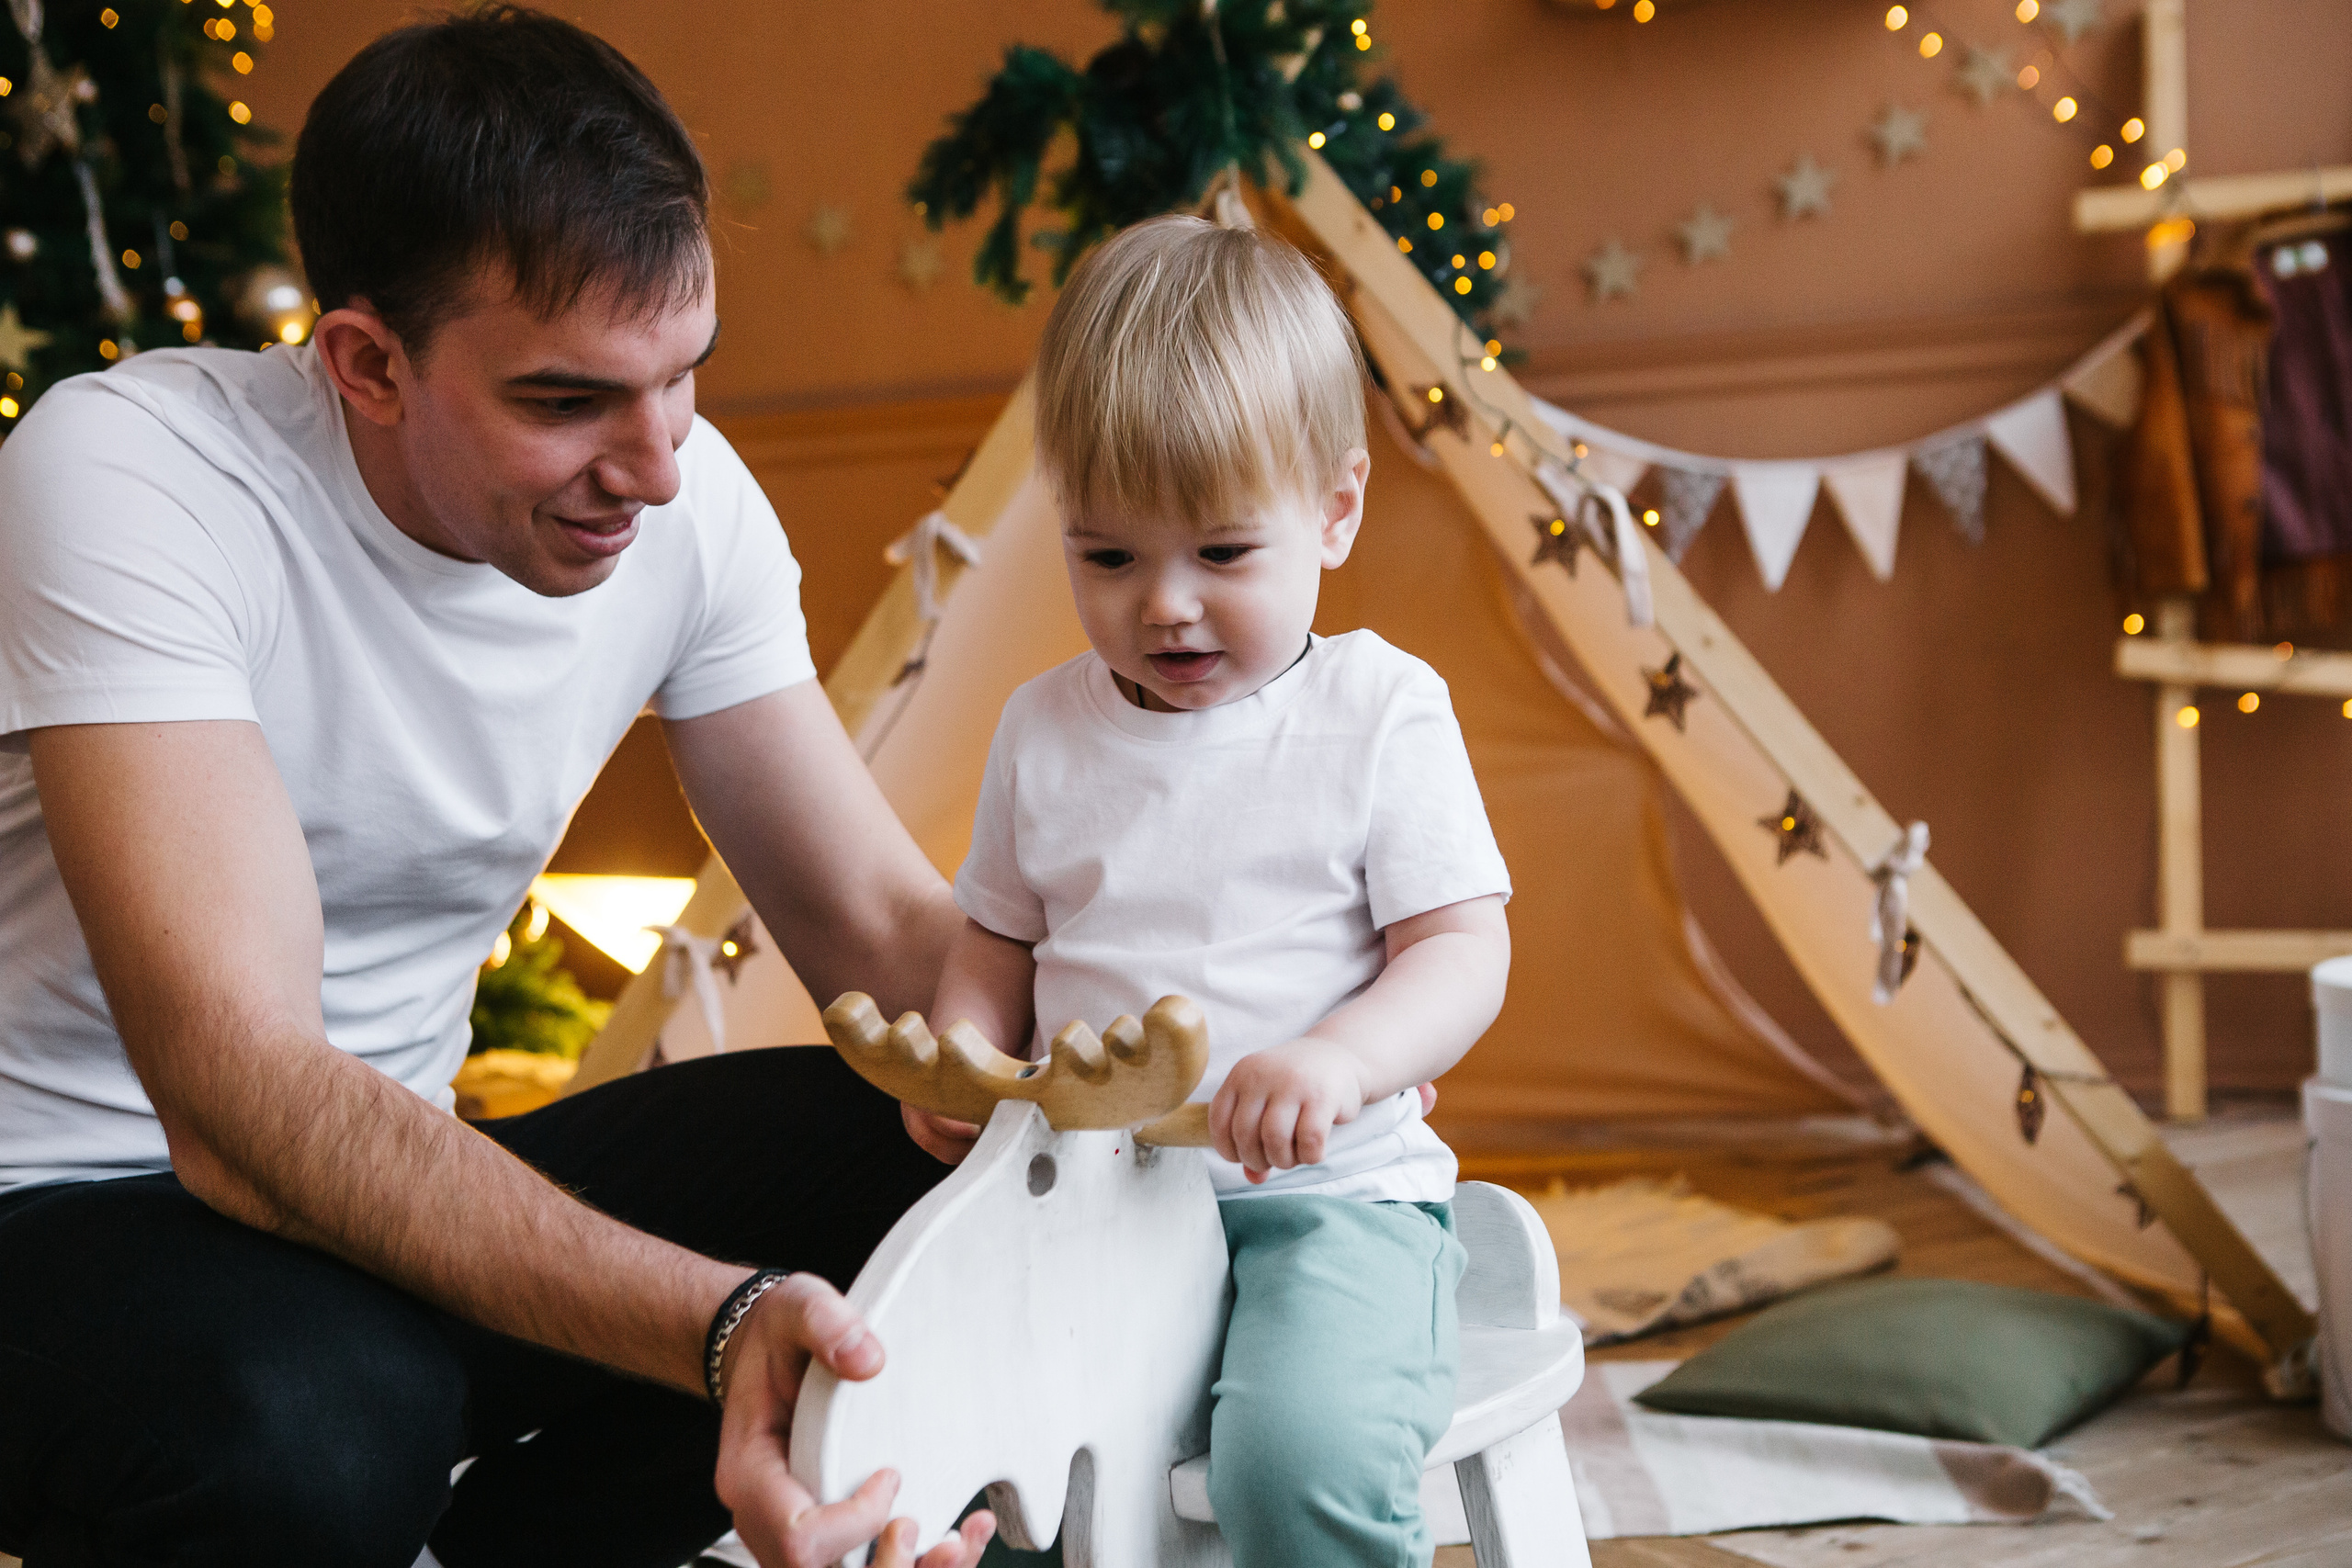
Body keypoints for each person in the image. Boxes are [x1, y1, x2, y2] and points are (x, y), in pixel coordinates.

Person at [0, 11, 993, 1568]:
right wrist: (718, 1323)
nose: (657, 465)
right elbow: (237, 1101)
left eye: (685, 380)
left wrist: (1229, 1042)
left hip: (383, 1202)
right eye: (567, 402)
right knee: (328, 1421)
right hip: (60, 1205)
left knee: (921, 1164)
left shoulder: (681, 502)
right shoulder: (135, 478)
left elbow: (884, 934)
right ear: (367, 363)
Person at [919, 214, 1515, 1568]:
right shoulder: (1043, 728)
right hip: (1093, 1200)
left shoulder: (1381, 711)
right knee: (989, 1459)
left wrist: (1338, 1059)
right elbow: (996, 940)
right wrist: (963, 1052)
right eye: (1108, 557)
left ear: (1337, 510)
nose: (1166, 608)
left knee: (1297, 1461)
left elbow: (1462, 953)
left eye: (1225, 556)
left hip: (1331, 1209)